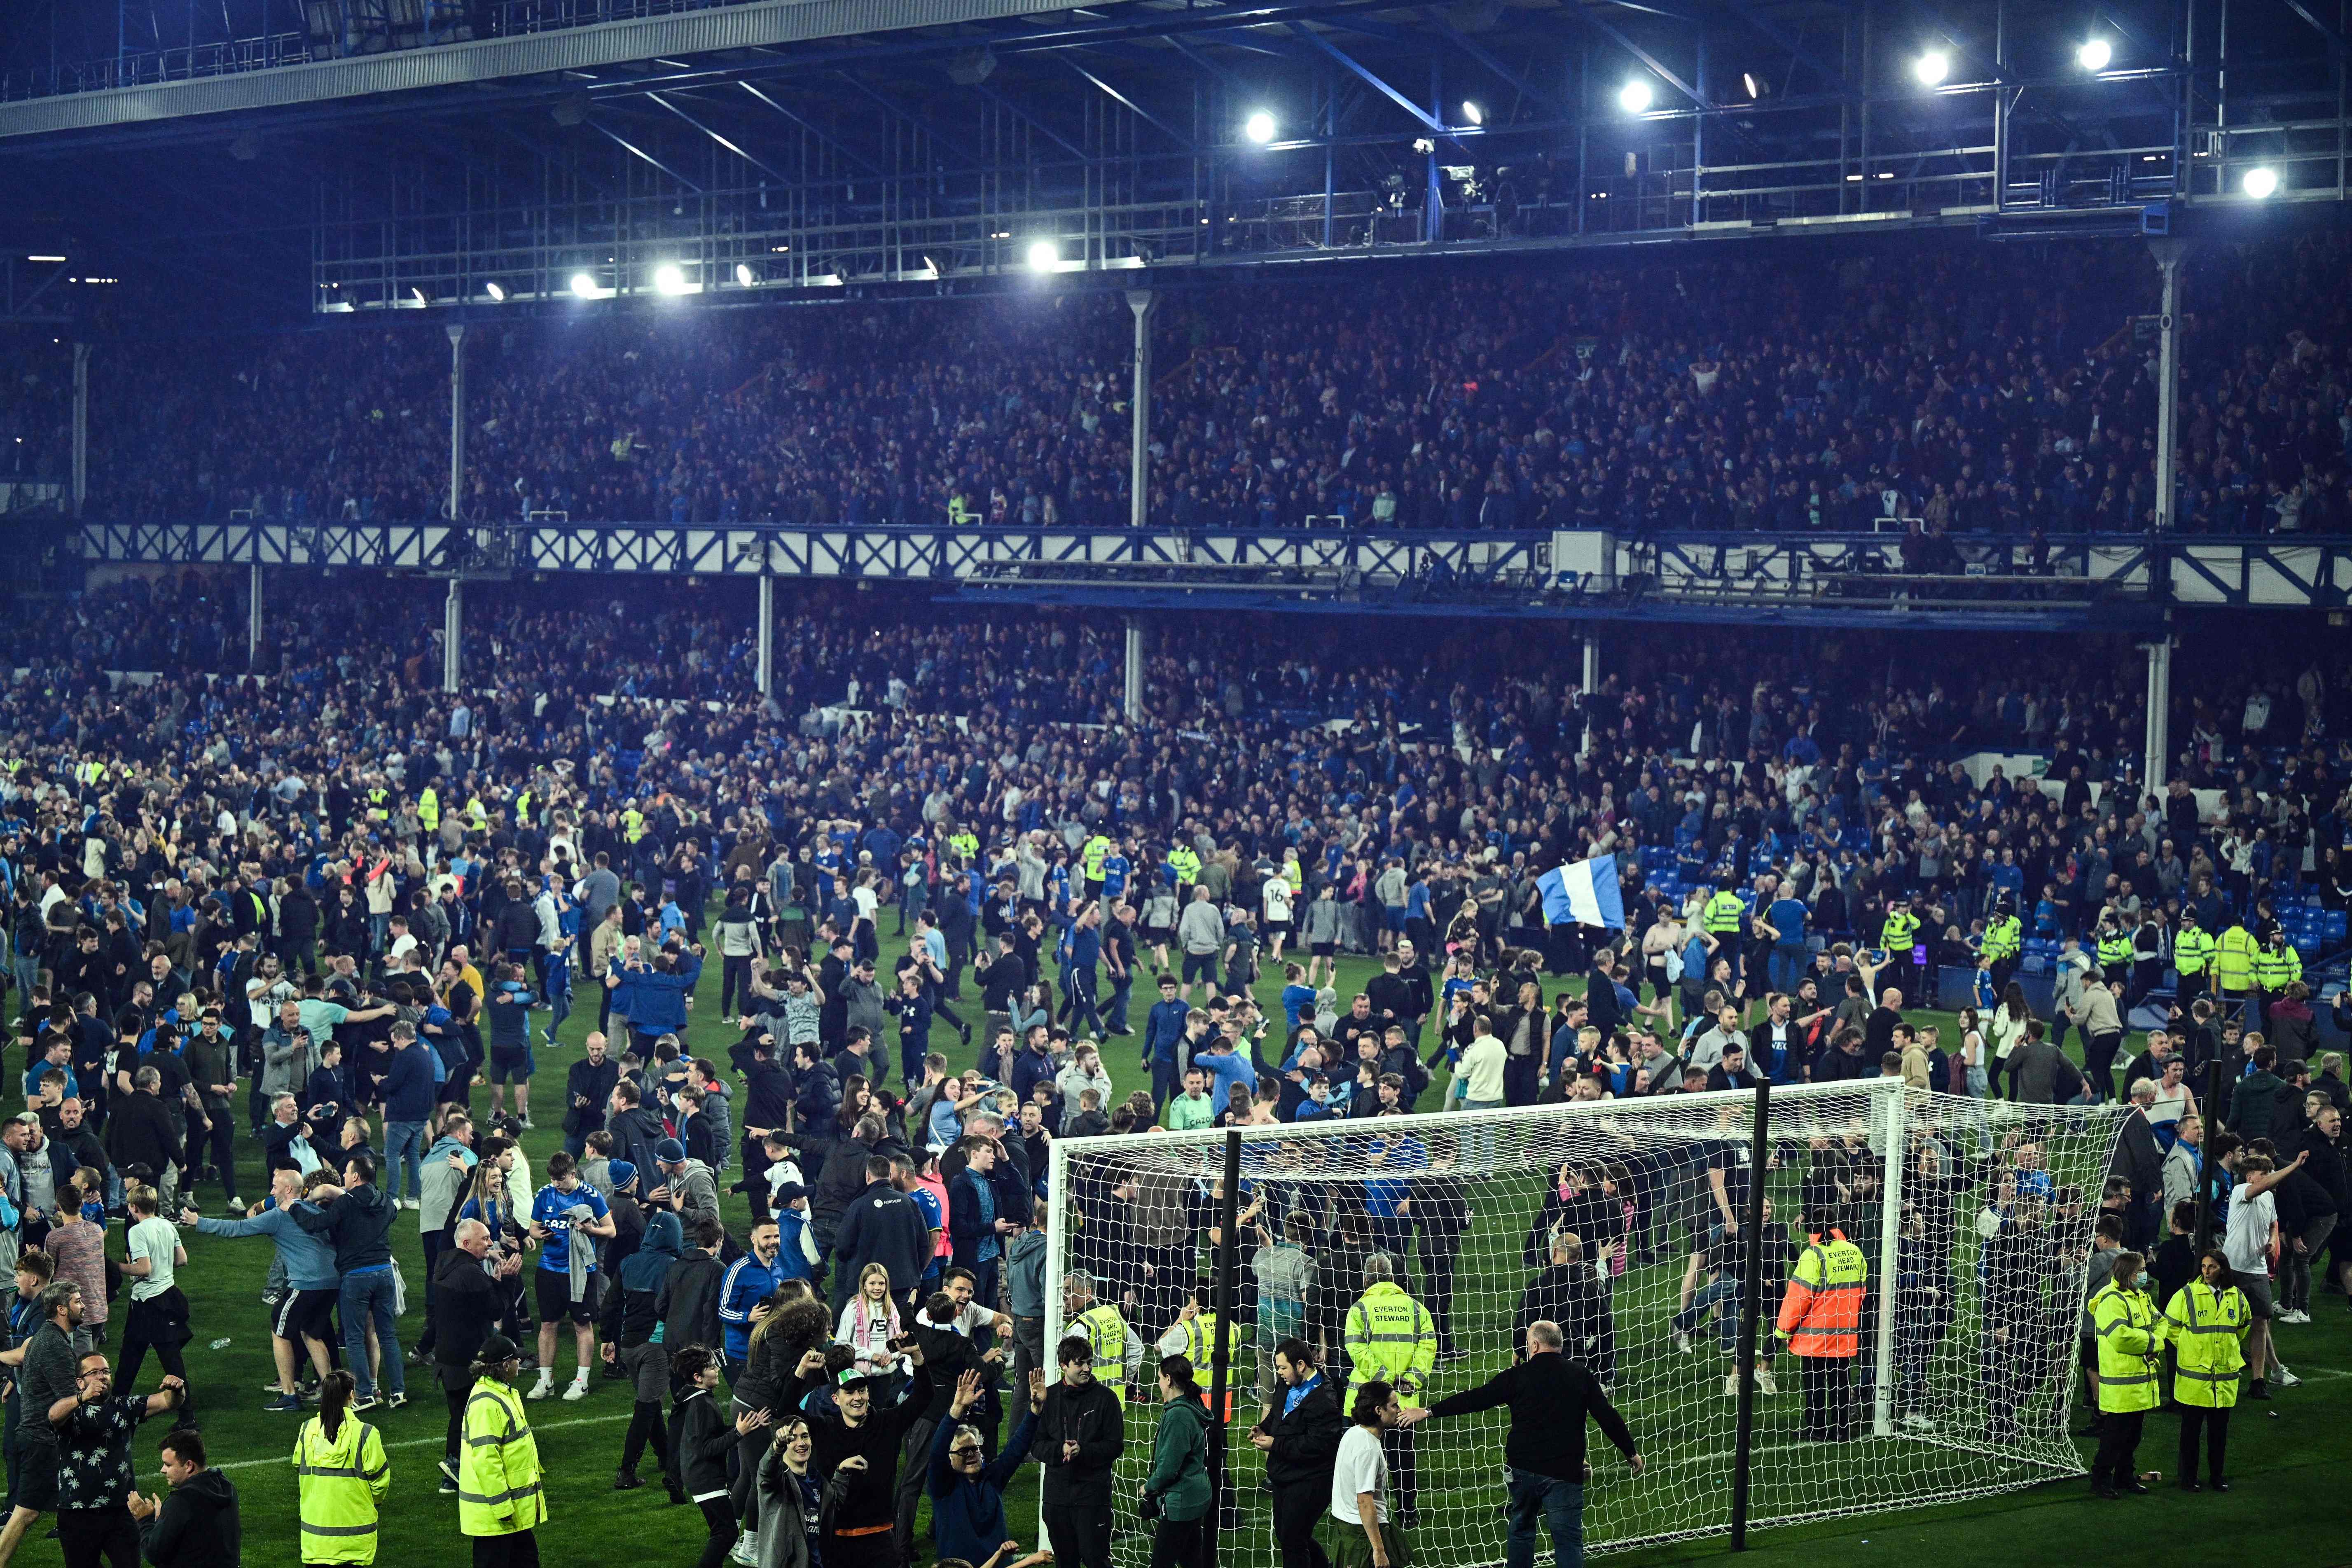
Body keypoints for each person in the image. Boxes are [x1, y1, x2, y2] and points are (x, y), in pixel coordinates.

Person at [1397, 1320, 1641, 1568]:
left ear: (1534, 1345)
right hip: (1565, 1472)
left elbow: (1476, 1399)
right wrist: (1630, 1451)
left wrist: (1428, 1412)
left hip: (1523, 1471)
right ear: (1559, 1345)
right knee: (1568, 1542)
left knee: (1522, 1532)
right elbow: (1607, 1416)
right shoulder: (1581, 1375)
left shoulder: (1517, 1376)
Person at [46, 1352, 188, 1568]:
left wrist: (177, 1389)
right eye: (94, 1372)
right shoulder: (71, 1412)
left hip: (122, 1510)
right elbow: (53, 1416)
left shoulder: (126, 1407)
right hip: (77, 1513)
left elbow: (168, 1402)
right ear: (80, 1382)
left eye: (106, 1371)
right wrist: (82, 1397)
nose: (102, 1377)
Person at [292, 1152, 407, 1411]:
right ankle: (398, 1391)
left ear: (355, 1176)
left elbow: (316, 1224)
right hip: (385, 1273)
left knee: (354, 1338)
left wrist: (295, 1207)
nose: (343, 1175)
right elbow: (389, 1216)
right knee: (387, 1335)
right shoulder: (386, 1201)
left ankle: (364, 1395)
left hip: (356, 1276)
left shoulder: (346, 1204)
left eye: (346, 1172)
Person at [1340, 1256, 1433, 1528]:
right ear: (1393, 1278)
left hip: (1365, 1402)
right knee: (1402, 1460)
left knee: (1360, 1460)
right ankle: (1408, 1513)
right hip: (1403, 1402)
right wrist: (1410, 1378)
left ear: (1366, 1279)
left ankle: (1358, 1514)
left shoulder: (1360, 1308)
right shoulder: (1417, 1308)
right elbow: (1429, 1346)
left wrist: (1386, 1378)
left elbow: (1356, 1349)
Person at [0, 1280, 87, 1566]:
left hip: (41, 1438)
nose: (83, 1305)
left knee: (77, 1507)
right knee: (25, 1514)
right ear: (62, 1309)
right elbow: (68, 1398)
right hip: (42, 1441)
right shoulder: (54, 1345)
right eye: (77, 1301)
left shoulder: (49, 1337)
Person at [927, 1367, 1042, 1568]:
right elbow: (937, 1451)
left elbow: (1017, 1447)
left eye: (975, 1449)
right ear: (950, 1457)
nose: (971, 1455)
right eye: (963, 1451)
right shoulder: (943, 1485)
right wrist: (956, 1409)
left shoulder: (993, 1477)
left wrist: (1036, 1409)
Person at [664, 1344, 765, 1568]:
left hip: (700, 1475)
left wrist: (748, 1426)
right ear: (698, 1377)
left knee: (724, 1532)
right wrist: (739, 1433)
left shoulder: (696, 1398)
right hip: (705, 1478)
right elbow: (706, 1448)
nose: (717, 1369)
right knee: (726, 1533)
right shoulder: (701, 1404)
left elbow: (711, 1434)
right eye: (711, 1367)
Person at [526, 1150, 615, 1403]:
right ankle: (546, 1381)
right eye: (553, 1179)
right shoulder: (545, 1194)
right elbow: (533, 1228)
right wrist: (539, 1235)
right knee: (548, 1324)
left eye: (561, 1179)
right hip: (549, 1270)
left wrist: (590, 1230)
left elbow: (611, 1230)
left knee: (582, 1325)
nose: (556, 1184)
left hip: (581, 1272)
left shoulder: (590, 1196)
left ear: (573, 1174)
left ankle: (582, 1382)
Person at [2160, 1247, 2248, 1493]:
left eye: (2212, 1267)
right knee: (2191, 1432)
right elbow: (2170, 1327)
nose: (2207, 1272)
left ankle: (2217, 1476)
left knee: (2219, 1434)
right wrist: (2190, 1347)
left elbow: (2242, 1327)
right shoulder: (2187, 1294)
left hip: (2224, 1379)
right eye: (2204, 1267)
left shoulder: (2237, 1296)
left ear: (2223, 1269)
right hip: (2195, 1380)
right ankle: (2189, 1478)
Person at [1033, 1334, 1123, 1568]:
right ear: (1064, 1365)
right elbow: (1037, 1445)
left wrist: (1082, 1451)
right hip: (1057, 1498)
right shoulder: (1048, 1398)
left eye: (1089, 1362)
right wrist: (1060, 1449)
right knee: (1065, 1563)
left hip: (1092, 1498)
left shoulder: (1106, 1399)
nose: (1087, 1369)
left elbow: (1115, 1445)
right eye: (1080, 1363)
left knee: (1097, 1561)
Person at [1251, 1339, 1343, 1568]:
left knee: (1293, 1539)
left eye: (1283, 1368)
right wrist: (1264, 1428)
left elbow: (1318, 1445)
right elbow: (1278, 1415)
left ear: (1301, 1365)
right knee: (1287, 1535)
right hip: (1285, 1473)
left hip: (1312, 1478)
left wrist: (1276, 1445)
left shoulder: (1324, 1399)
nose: (1279, 1372)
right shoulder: (1286, 1382)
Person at [1773, 1213, 1865, 1442]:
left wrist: (1784, 1330)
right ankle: (1842, 1430)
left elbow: (1798, 1297)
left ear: (1810, 1231)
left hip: (1816, 1336)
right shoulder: (1854, 1251)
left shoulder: (1813, 1255)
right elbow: (1862, 1290)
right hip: (1845, 1332)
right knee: (1841, 1383)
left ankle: (1817, 1429)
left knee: (1815, 1384)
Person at [458, 1333, 547, 1567]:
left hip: (510, 1513)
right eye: (517, 1359)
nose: (520, 1362)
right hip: (496, 1517)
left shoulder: (501, 1393)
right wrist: (502, 1507)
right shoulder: (486, 1403)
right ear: (506, 1365)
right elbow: (486, 1460)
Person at [295, 1369, 392, 1565]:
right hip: (355, 1541)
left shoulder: (307, 1430)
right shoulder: (366, 1434)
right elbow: (380, 1484)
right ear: (352, 1395)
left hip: (316, 1542)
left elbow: (299, 1466)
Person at [2087, 1250, 2160, 1498]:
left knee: (2132, 1436)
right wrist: (2153, 1343)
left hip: (2139, 1381)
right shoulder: (2111, 1300)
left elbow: (2161, 1323)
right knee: (2114, 1436)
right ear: (2128, 1273)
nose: (2145, 1274)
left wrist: (2154, 1342)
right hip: (2120, 1382)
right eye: (2141, 1270)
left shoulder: (2142, 1297)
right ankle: (2100, 1479)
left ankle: (2124, 1476)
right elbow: (2120, 1338)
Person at [129, 1427, 239, 1568]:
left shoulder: (181, 1502)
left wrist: (145, 1519)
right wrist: (166, 1520)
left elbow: (153, 1553)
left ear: (189, 1466)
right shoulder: (227, 1487)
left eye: (168, 1465)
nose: (163, 1470)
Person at [1141, 1354, 1212, 1568]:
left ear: (1169, 1380)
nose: (1159, 1383)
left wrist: (1148, 1488)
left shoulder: (1178, 1416)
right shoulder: (1191, 1403)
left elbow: (1168, 1470)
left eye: (1160, 1378)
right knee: (1192, 1561)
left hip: (1181, 1503)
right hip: (1194, 1496)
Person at [1328, 1380, 1403, 1568]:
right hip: (1364, 1534)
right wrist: (1379, 1550)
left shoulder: (1353, 1433)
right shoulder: (1368, 1449)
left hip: (1347, 1528)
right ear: (1379, 1411)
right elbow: (1364, 1500)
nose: (1399, 1410)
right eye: (1394, 1406)